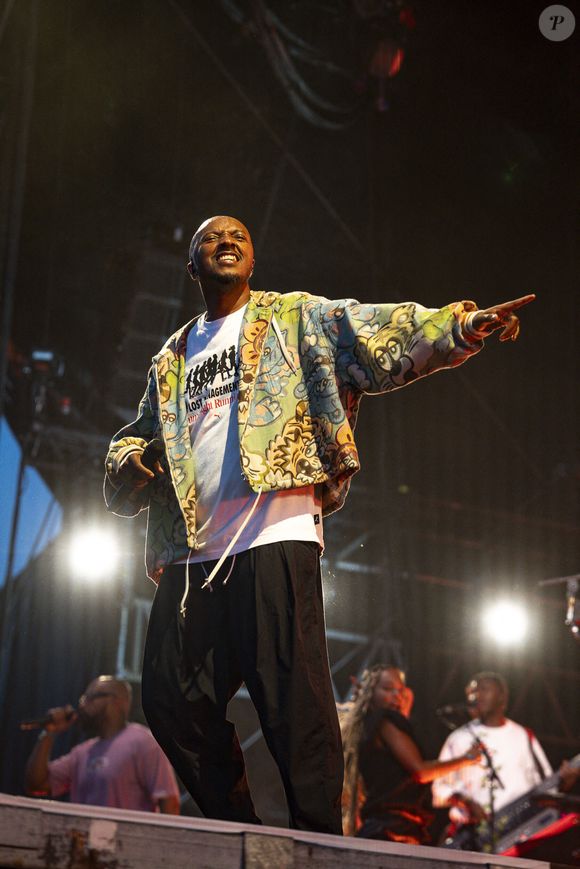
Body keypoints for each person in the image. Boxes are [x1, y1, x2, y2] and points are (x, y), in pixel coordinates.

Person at [103, 214, 534, 833]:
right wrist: (131, 461)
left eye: (239, 237)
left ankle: (320, 843)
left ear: (252, 260)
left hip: (274, 533)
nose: (227, 242)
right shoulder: (171, 358)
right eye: (210, 238)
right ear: (191, 265)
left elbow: (376, 331)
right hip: (191, 553)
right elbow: (130, 439)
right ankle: (236, 828)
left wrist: (462, 326)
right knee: (171, 702)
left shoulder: (292, 318)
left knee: (294, 708)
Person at [340, 664, 481, 843]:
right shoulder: (385, 721)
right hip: (393, 830)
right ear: (370, 692)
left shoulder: (374, 725)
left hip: (388, 827)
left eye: (399, 691)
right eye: (387, 689)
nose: (396, 696)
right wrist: (467, 758)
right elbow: (420, 772)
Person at [25, 675, 180, 814]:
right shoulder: (82, 752)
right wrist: (49, 732)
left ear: (118, 702)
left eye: (90, 697)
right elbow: (37, 784)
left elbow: (169, 801)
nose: (82, 706)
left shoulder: (143, 742)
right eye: (83, 699)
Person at [432, 671, 552, 848]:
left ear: (502, 697)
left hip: (519, 835)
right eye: (472, 692)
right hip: (471, 836)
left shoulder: (523, 736)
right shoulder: (458, 738)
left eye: (484, 689)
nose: (476, 696)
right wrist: (464, 801)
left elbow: (546, 784)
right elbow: (438, 789)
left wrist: (566, 779)